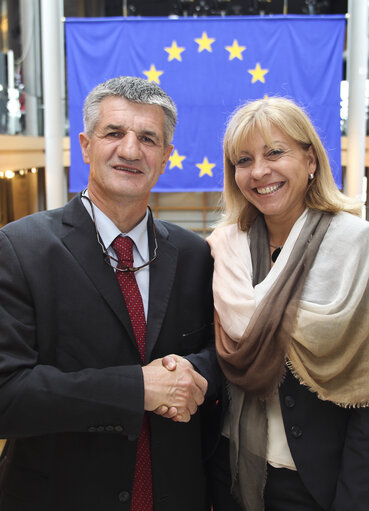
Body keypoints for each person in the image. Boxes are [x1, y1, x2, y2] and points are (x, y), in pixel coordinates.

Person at [0, 76, 220, 511]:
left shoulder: (196, 254)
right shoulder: (18, 248)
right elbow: (7, 394)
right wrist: (137, 388)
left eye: (148, 139)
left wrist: (191, 370)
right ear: (85, 145)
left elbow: (219, 354)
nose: (131, 150)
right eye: (114, 133)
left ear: (166, 158)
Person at [207, 96, 369, 511]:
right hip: (230, 473)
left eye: (275, 152)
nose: (259, 171)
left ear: (310, 159)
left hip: (320, 484)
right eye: (243, 160)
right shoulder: (223, 249)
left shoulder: (356, 247)